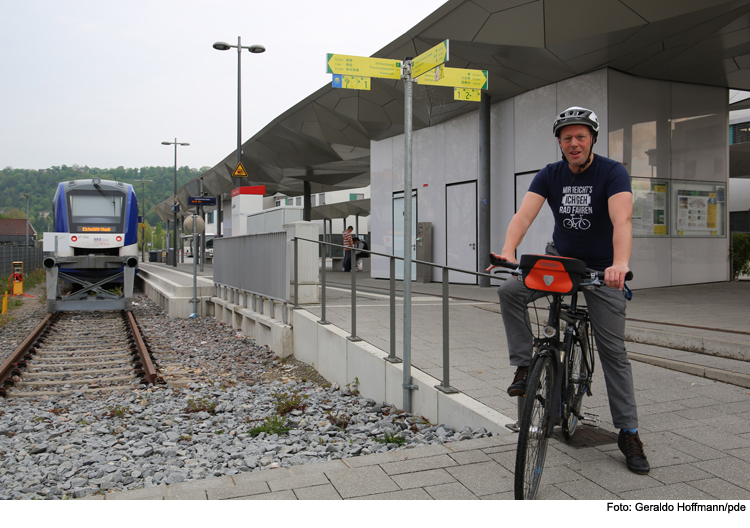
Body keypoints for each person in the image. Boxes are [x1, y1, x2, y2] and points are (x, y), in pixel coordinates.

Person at [487, 106, 649, 475]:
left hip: (601, 269)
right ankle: (525, 366)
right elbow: (524, 215)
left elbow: (621, 219)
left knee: (613, 352)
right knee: (510, 291)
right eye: (566, 138)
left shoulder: (612, 172)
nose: (573, 143)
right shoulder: (550, 174)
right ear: (559, 142)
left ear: (592, 138)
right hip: (560, 262)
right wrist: (509, 251)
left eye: (580, 137)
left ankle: (628, 432)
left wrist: (619, 264)